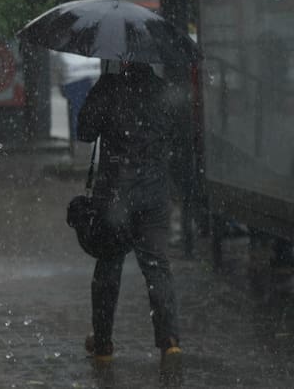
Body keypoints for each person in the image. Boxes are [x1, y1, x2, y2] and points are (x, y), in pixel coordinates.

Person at [77, 62, 182, 374]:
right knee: (157, 265)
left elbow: (84, 132)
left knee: (109, 264)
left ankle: (103, 343)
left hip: (115, 194)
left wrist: (100, 98)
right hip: (154, 193)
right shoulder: (163, 90)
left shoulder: (109, 87)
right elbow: (179, 138)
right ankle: (169, 340)